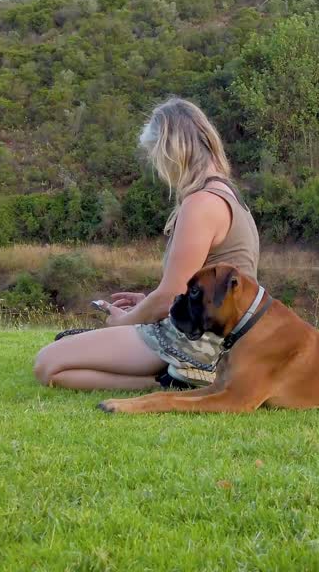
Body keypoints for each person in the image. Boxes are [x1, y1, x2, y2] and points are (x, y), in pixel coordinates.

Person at [32, 97, 260, 390]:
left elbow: (169, 298)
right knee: (62, 361)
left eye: (155, 155)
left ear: (170, 151)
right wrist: (145, 303)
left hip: (198, 340)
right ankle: (173, 379)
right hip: (221, 338)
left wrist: (123, 322)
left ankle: (185, 379)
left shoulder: (201, 204)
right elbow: (185, 292)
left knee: (48, 364)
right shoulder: (228, 195)